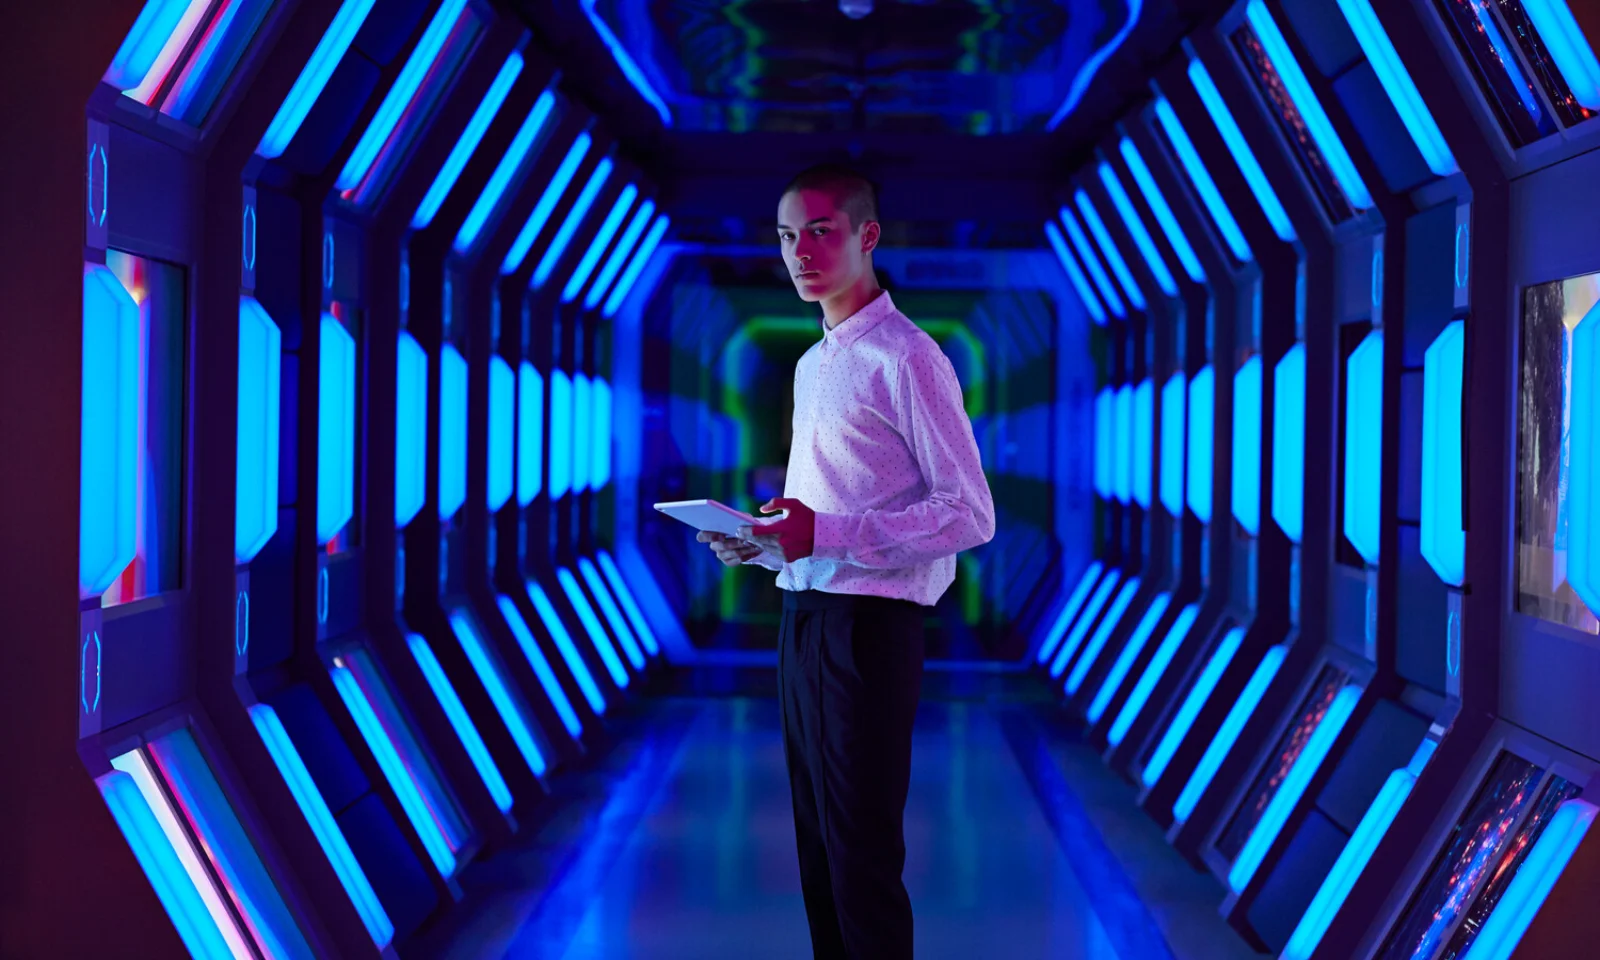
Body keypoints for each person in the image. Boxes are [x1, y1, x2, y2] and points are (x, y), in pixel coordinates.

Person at [698, 164, 995, 959]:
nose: (800, 252)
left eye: (820, 232)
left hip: (869, 632)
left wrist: (820, 535)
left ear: (868, 236)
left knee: (862, 859)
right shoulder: (812, 362)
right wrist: (764, 543)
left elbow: (970, 512)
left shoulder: (908, 358)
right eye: (788, 236)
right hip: (804, 618)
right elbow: (824, 515)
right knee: (818, 853)